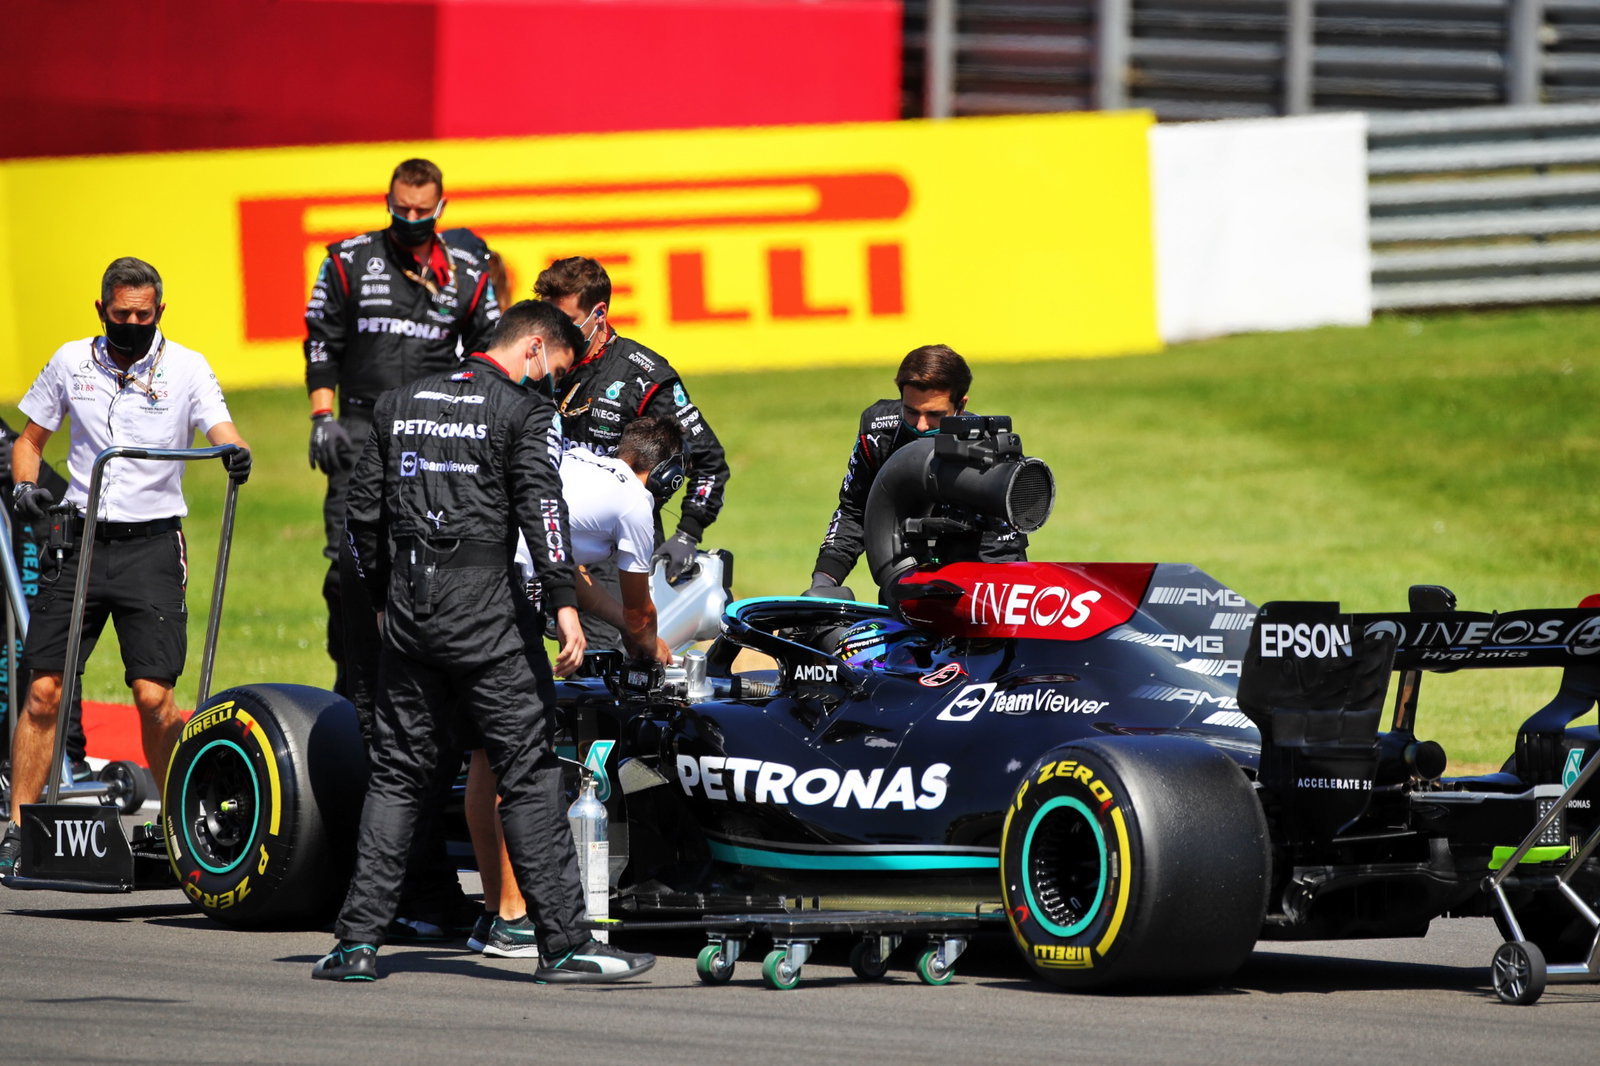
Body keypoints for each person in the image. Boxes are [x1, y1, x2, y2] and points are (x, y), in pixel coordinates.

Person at [314, 299, 653, 983]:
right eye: (554, 369)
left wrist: (382, 603)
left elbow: (358, 523)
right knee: (528, 775)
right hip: (492, 619)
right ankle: (563, 945)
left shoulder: (398, 402)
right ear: (532, 348)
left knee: (399, 777)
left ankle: (354, 945)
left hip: (410, 614)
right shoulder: (526, 412)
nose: (552, 383)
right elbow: (542, 511)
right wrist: (565, 606)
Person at [0, 257, 251, 879]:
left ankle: (175, 825)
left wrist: (234, 450)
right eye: (121, 316)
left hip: (152, 548)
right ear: (101, 311)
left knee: (155, 697)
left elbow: (222, 427)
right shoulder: (69, 362)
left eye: (143, 315)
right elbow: (29, 441)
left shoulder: (188, 367)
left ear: (160, 312)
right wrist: (25, 489)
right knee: (42, 692)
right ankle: (18, 827)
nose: (132, 324)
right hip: (78, 540)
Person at [467, 416, 683, 957]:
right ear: (665, 475)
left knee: (485, 756)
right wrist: (652, 644)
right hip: (504, 589)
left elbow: (579, 581)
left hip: (471, 576)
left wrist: (619, 630)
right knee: (521, 756)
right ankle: (515, 919)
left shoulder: (583, 463)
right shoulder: (634, 503)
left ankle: (493, 914)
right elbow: (639, 609)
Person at [303, 158, 500, 696]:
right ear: (387, 201)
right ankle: (350, 685)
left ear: (441, 207)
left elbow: (491, 350)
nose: (410, 217)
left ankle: (431, 686)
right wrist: (323, 417)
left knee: (435, 556)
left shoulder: (467, 269)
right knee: (348, 569)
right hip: (361, 427)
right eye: (400, 208)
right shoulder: (347, 260)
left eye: (421, 210)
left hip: (439, 433)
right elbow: (321, 342)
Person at [532, 256, 730, 649]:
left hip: (612, 547)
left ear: (598, 314)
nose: (555, 333)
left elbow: (708, 461)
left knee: (605, 663)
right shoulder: (538, 366)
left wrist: (687, 534)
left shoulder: (645, 377)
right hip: (546, 533)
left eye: (566, 322)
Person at [809, 344, 1026, 595]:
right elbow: (854, 511)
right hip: (900, 582)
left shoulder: (990, 451)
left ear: (961, 406)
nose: (921, 426)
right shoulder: (877, 433)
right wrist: (824, 579)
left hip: (975, 588)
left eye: (935, 415)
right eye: (911, 411)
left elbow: (1004, 555)